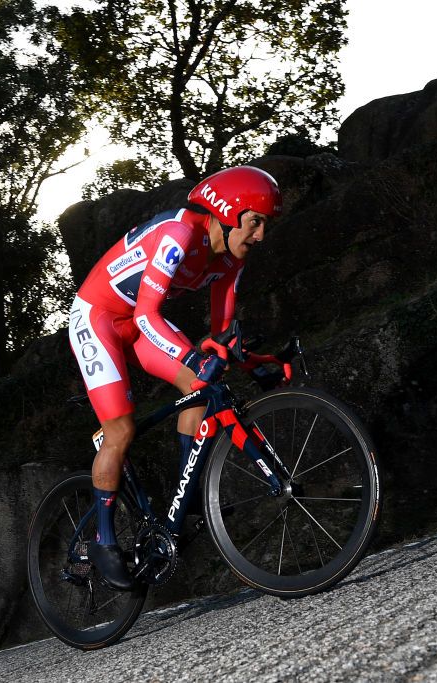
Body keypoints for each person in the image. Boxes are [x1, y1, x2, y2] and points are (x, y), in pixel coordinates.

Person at [68, 165, 282, 590]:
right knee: (121, 430)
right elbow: (147, 312)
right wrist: (190, 354)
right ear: (228, 211)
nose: (260, 236)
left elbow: (221, 335)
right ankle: (103, 541)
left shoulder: (229, 261)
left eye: (265, 226)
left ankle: (185, 503)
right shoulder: (179, 234)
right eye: (256, 222)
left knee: (203, 389)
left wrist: (255, 362)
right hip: (99, 318)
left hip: (137, 323)